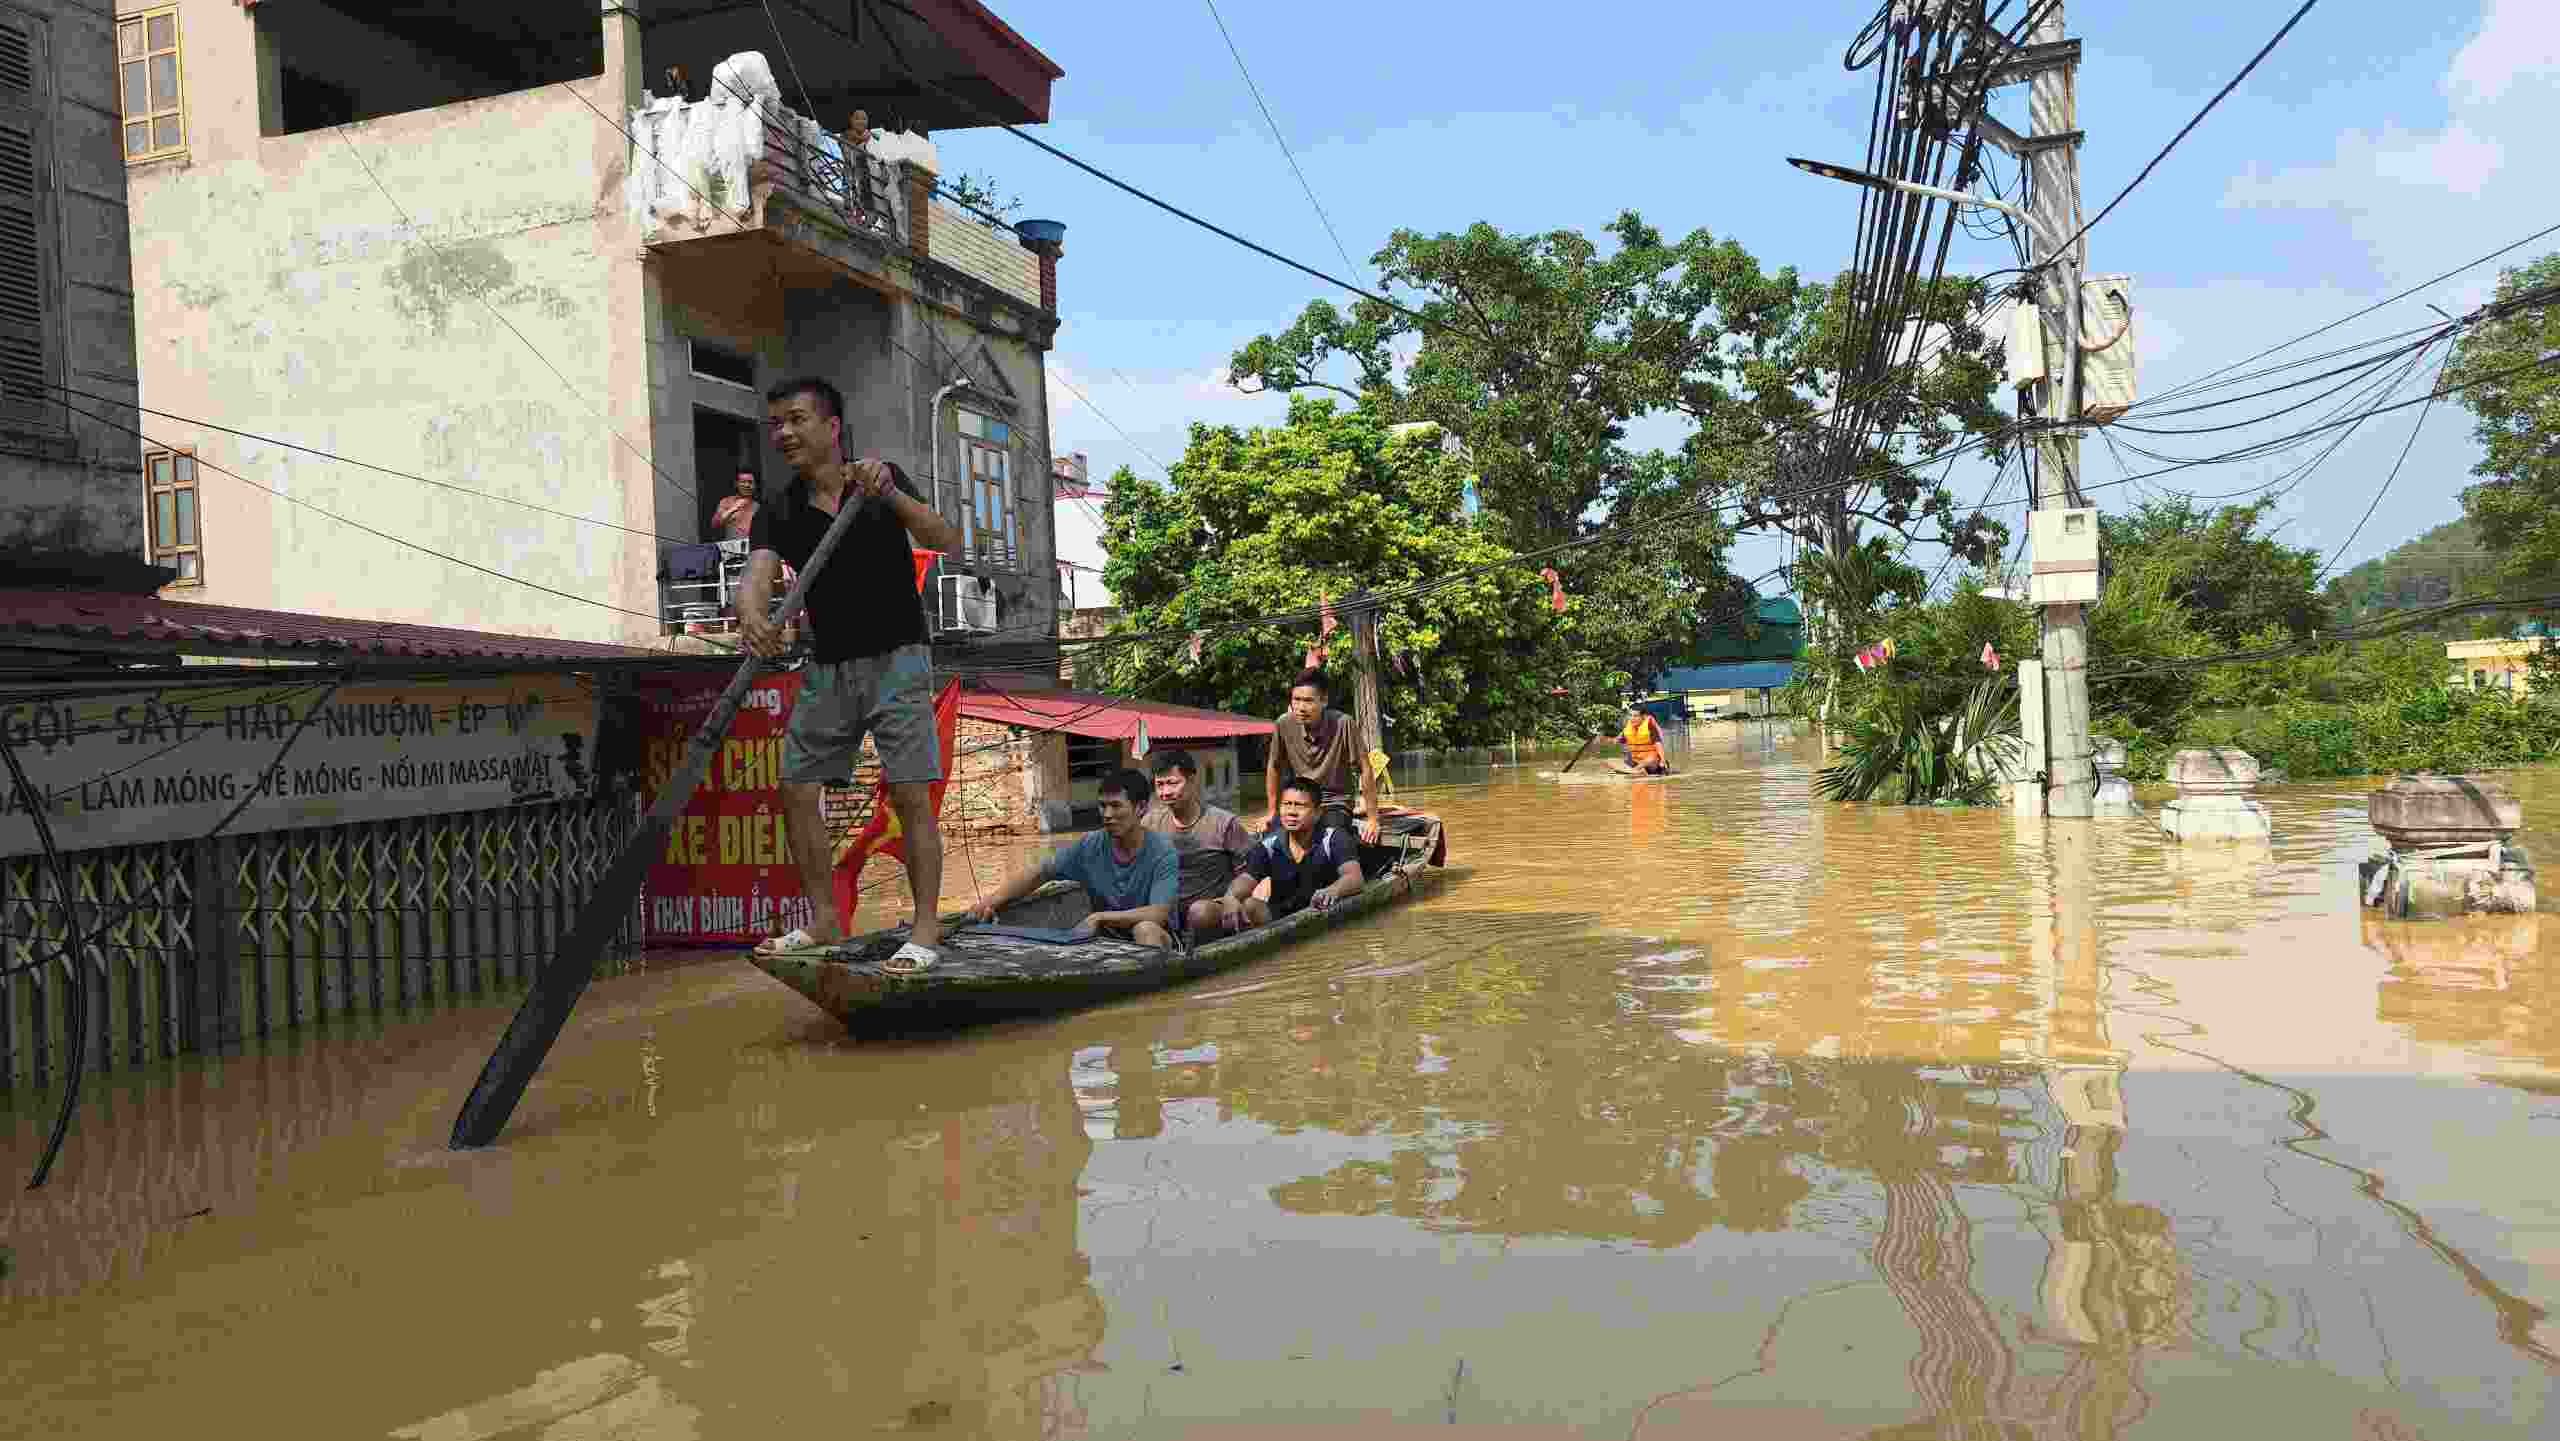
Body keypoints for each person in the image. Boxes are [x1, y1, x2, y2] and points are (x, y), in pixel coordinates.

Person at [739, 376, 964, 974]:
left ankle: (924, 929)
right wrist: (754, 618)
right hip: (828, 666)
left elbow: (943, 537)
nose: (784, 433)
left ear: (832, 426)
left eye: (796, 420)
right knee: (796, 787)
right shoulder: (778, 510)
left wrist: (889, 493)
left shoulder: (878, 479)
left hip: (898, 657)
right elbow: (755, 579)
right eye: (776, 424)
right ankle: (825, 918)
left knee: (911, 793)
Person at [966, 767, 1176, 948]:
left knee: (1144, 929)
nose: (1107, 814)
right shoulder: (1090, 845)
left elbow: (1158, 913)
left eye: (1116, 806)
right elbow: (1040, 872)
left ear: (1140, 808)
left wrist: (1099, 917)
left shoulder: (1162, 851)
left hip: (1156, 935)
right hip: (1109, 938)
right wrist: (990, 902)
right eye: (1103, 806)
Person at [1199, 776, 1365, 936]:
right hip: (1279, 915)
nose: (1291, 812)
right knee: (1244, 905)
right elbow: (1246, 879)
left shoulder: (1334, 839)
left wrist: (1332, 890)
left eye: (1300, 806)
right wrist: (1231, 896)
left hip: (1321, 910)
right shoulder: (1269, 846)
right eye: (1287, 804)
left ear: (1317, 812)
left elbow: (1354, 877)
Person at [1143, 748, 1255, 934]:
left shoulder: (1223, 822)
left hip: (1213, 909)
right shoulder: (1150, 823)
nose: (1166, 792)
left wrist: (1232, 896)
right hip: (1168, 911)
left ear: (1192, 780)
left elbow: (1251, 870)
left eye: (1172, 783)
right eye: (1160, 785)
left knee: (1200, 911)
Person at [1261, 669, 1380, 844]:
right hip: (1300, 801)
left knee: (1330, 841)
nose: (1301, 707)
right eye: (1296, 700)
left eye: (1308, 701)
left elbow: (1365, 769)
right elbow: (1274, 766)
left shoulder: (1344, 723)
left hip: (1335, 804)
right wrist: (1272, 811)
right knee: (1271, 839)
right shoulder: (1283, 724)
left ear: (1324, 701)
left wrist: (1372, 820)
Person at [712, 471, 759, 542]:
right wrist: (733, 508)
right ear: (736, 484)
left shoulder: (758, 507)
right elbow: (715, 525)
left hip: (752, 547)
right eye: (743, 482)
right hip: (731, 547)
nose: (747, 485)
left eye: (750, 482)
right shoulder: (726, 501)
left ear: (755, 485)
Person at [1620, 706, 1669, 775]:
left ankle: (1636, 770)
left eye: (1635, 716)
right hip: (1637, 760)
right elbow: (1622, 743)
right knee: (1611, 761)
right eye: (1630, 715)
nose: (1632, 718)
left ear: (1643, 717)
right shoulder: (1628, 727)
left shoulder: (1650, 726)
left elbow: (1658, 743)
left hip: (1651, 762)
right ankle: (1639, 770)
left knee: (1651, 759)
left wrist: (1662, 760)